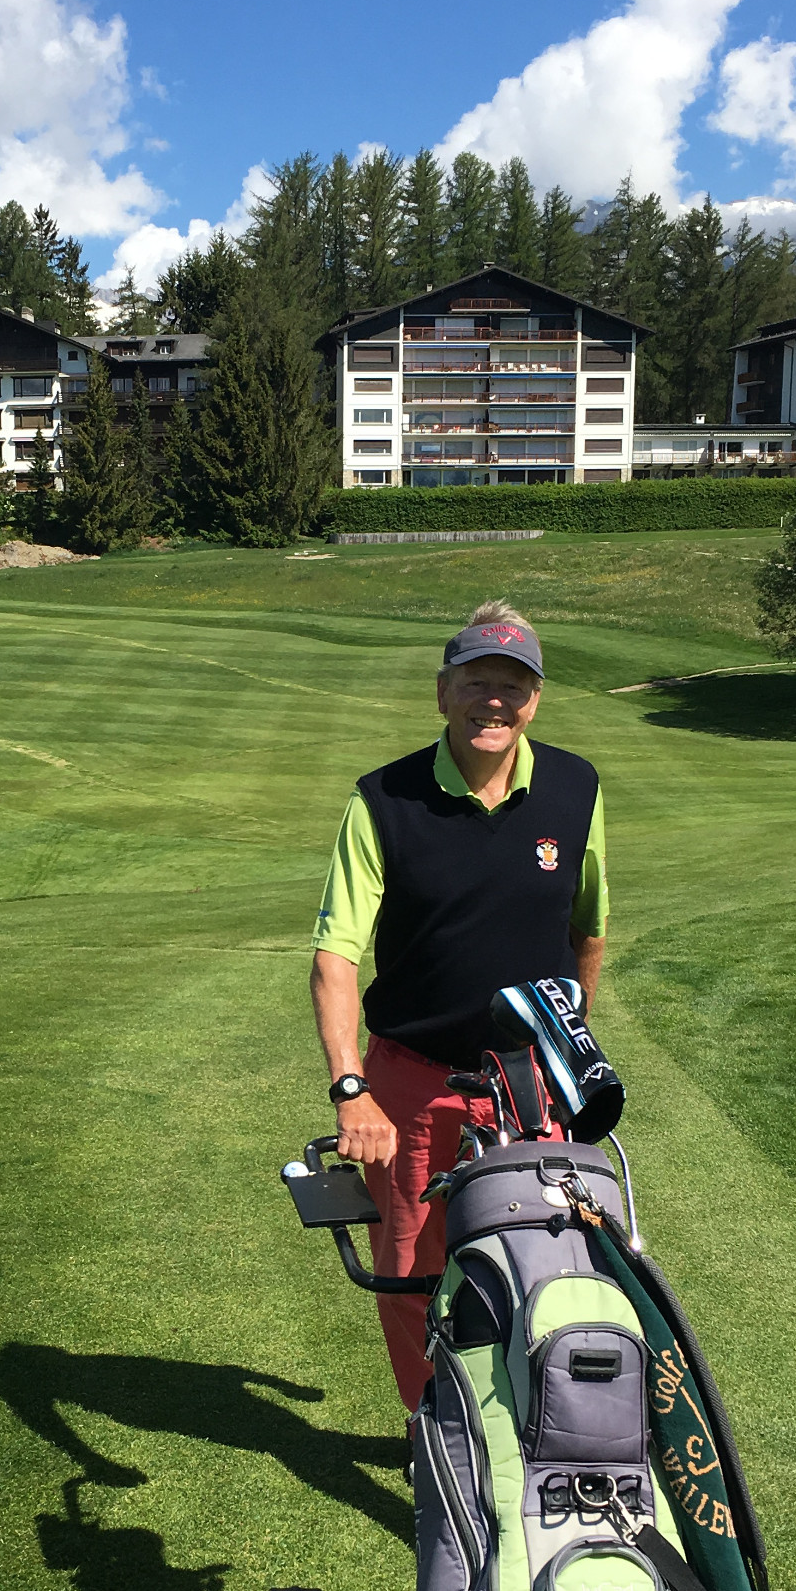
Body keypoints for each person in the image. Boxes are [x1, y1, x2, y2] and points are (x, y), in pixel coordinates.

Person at [309, 601, 607, 1416]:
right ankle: (434, 1431)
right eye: (476, 682)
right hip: (413, 1082)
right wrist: (351, 1087)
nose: (494, 701)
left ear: (535, 699)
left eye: (513, 685)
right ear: (443, 692)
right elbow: (335, 959)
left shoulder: (576, 787)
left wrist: (575, 1041)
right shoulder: (383, 799)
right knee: (412, 1271)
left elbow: (588, 927)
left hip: (531, 1082)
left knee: (549, 1262)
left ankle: (533, 1430)